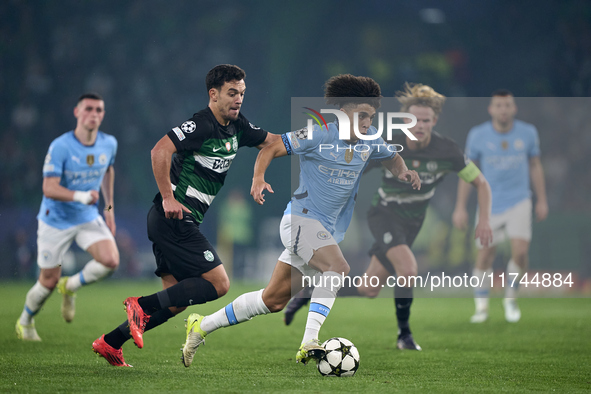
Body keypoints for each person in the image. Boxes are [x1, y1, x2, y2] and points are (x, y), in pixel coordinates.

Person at [179, 74, 421, 368]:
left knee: (272, 300)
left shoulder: (371, 140)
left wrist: (404, 172)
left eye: (371, 116)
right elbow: (272, 146)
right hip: (299, 222)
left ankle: (200, 326)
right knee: (338, 266)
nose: (368, 123)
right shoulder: (318, 134)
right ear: (344, 112)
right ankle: (309, 341)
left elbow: (391, 157)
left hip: (323, 231)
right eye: (362, 115)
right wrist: (258, 179)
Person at [92, 64, 279, 367]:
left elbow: (272, 141)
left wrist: (313, 138)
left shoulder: (237, 126)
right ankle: (140, 305)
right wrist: (168, 197)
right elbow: (159, 151)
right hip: (174, 218)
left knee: (176, 301)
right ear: (213, 95)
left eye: (242, 93)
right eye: (232, 93)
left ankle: (110, 342)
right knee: (219, 283)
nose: (239, 99)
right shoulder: (201, 125)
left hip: (168, 221)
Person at [283, 83, 493, 351]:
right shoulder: (383, 141)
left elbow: (481, 183)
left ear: (434, 121)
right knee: (408, 270)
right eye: (413, 120)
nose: (419, 125)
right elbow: (351, 165)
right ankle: (404, 336)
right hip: (384, 215)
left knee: (369, 289)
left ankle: (310, 292)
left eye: (425, 120)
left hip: (412, 223)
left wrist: (479, 217)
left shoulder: (447, 150)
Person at [16, 93, 119, 341]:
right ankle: (25, 321)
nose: (94, 114)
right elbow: (48, 188)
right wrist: (80, 196)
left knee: (110, 260)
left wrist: (109, 209)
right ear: (77, 112)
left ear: (103, 114)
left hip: (86, 217)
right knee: (48, 281)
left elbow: (108, 170)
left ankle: (71, 285)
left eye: (99, 110)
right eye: (89, 109)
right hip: (56, 220)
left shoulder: (109, 143)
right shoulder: (61, 146)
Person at [454, 89, 548, 323]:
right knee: (485, 255)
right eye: (499, 106)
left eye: (507, 106)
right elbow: (468, 171)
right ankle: (482, 307)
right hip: (490, 203)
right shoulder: (478, 134)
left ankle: (510, 298)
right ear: (491, 109)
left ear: (514, 108)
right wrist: (460, 206)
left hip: (520, 200)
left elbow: (535, 165)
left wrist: (542, 199)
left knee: (521, 252)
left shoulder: (528, 133)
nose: (503, 110)